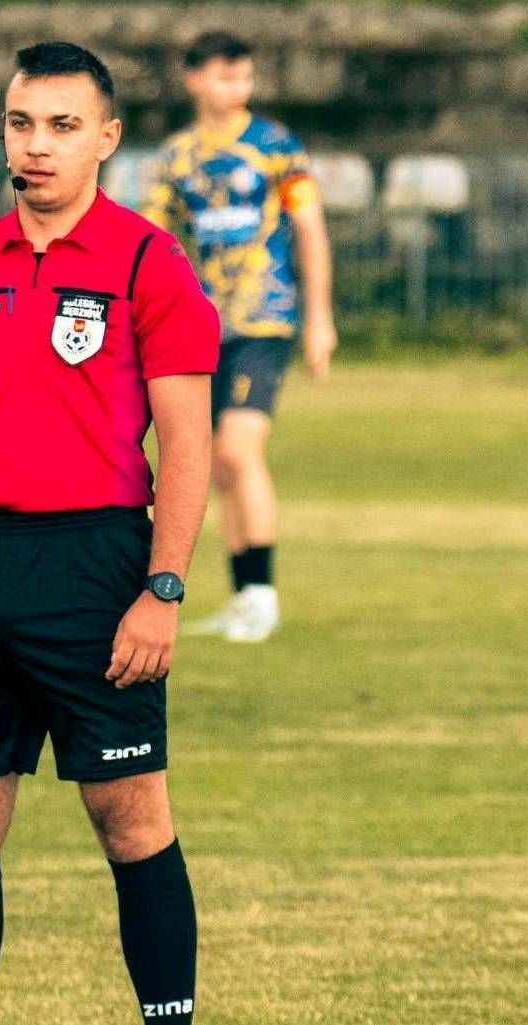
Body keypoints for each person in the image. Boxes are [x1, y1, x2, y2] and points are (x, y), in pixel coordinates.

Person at [0, 41, 218, 1025]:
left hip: (93, 563)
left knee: (129, 816)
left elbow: (187, 445)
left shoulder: (147, 265)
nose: (37, 146)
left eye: (63, 126)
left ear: (106, 139)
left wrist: (160, 590)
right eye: (22, 123)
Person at [142, 30, 338, 642]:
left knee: (237, 450)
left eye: (245, 77)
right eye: (225, 76)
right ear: (193, 79)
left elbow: (309, 230)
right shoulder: (177, 158)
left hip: (264, 319)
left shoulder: (278, 148)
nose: (237, 88)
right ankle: (242, 592)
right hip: (200, 326)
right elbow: (152, 241)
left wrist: (320, 318)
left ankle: (262, 593)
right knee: (212, 464)